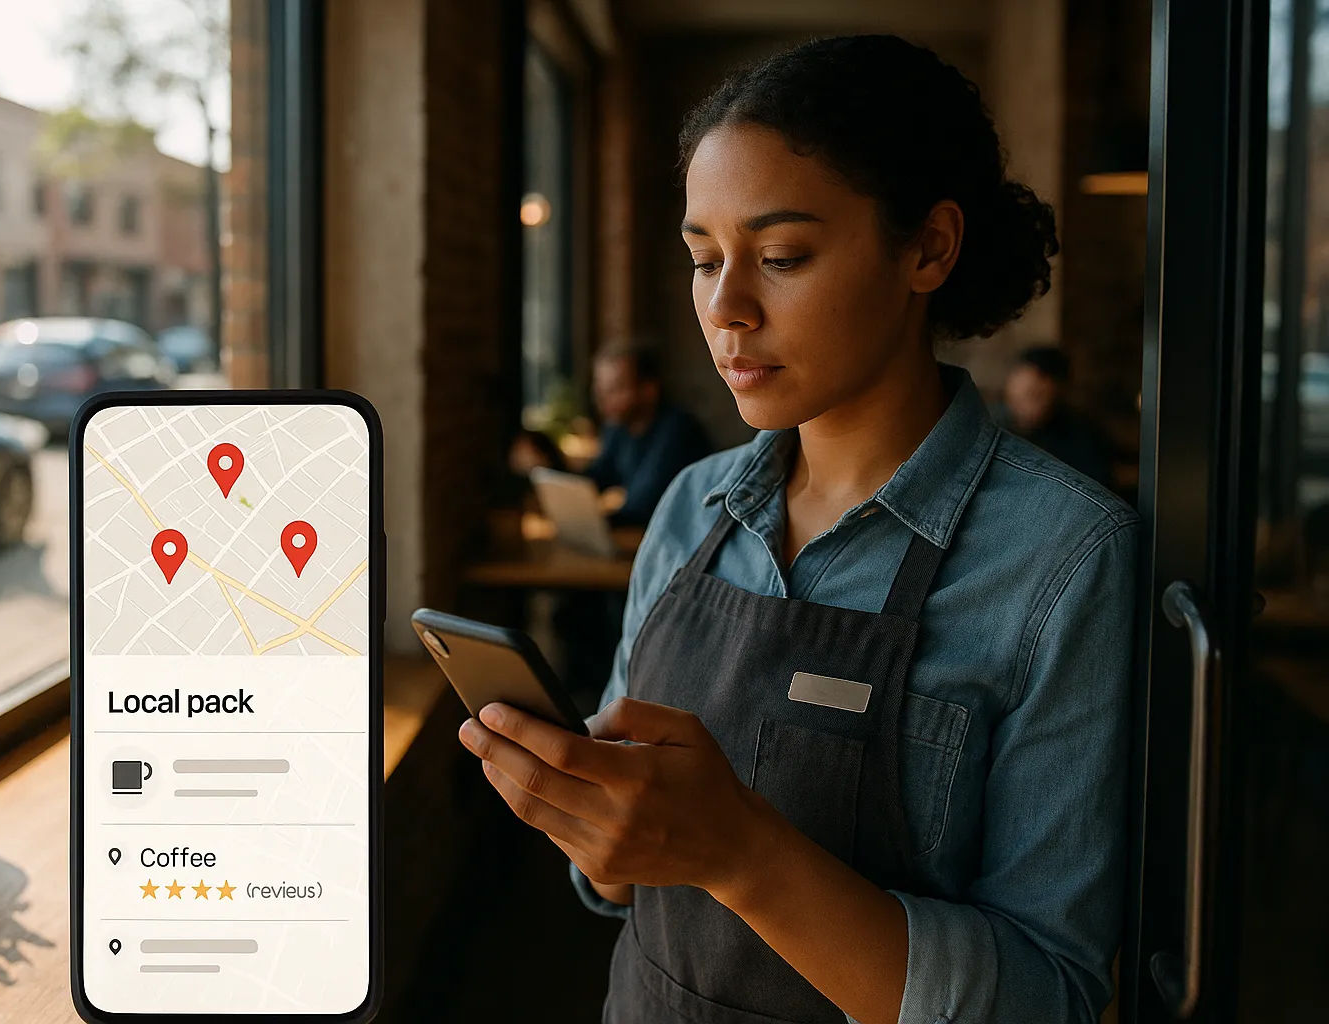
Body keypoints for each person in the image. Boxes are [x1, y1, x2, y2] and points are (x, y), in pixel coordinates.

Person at [456, 35, 1134, 1024]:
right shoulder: (694, 507)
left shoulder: (1066, 560)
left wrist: (740, 852)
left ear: (928, 249)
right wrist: (598, 833)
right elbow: (616, 886)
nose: (726, 307)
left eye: (781, 257)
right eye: (702, 259)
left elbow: (1052, 996)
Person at [585, 341, 711, 527]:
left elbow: (641, 509)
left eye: (615, 389)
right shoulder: (618, 426)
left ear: (649, 390)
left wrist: (591, 523)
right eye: (600, 389)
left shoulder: (677, 431)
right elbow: (597, 477)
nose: (603, 399)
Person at [995, 345, 1114, 488]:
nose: (1026, 406)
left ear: (1058, 391)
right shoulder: (992, 427)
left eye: (1037, 396)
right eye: (1020, 396)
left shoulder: (1082, 437)